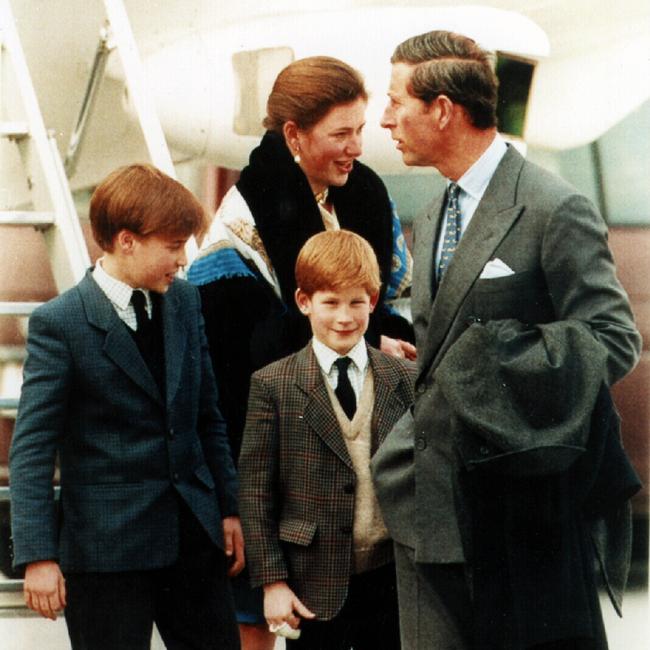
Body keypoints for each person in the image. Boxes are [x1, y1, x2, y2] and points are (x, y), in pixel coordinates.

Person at [372, 30, 643, 650]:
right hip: (429, 501)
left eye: (395, 101)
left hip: (519, 517)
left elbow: (612, 338)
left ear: (442, 109)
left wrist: (490, 365)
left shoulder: (553, 206)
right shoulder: (435, 212)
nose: (385, 119)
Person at [187, 55, 414, 649]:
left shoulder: (361, 194)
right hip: (269, 441)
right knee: (258, 617)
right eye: (341, 134)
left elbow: (376, 297)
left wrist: (382, 336)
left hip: (354, 460)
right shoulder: (241, 227)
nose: (356, 148)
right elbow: (236, 363)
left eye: (361, 131)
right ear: (293, 135)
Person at [9, 164, 244, 649]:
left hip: (194, 542)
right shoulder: (62, 323)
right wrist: (38, 556)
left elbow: (207, 417)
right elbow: (32, 449)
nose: (183, 259)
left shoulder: (184, 302)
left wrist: (228, 509)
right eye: (174, 246)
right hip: (105, 553)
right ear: (126, 241)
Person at [238, 229, 415, 650]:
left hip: (393, 579)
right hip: (312, 583)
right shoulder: (273, 384)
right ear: (304, 302)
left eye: (357, 302)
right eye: (330, 303)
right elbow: (255, 492)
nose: (344, 317)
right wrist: (272, 583)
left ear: (373, 301)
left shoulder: (404, 379)